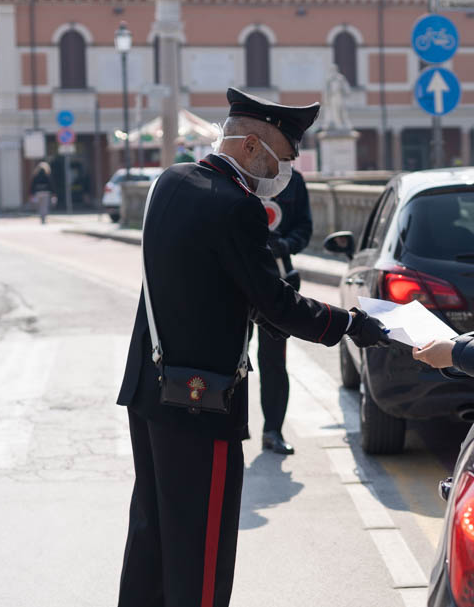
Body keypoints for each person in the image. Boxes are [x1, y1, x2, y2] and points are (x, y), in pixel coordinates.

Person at [115, 87, 389, 607]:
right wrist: (351, 323)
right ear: (249, 147)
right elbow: (276, 305)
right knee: (202, 545)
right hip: (202, 399)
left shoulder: (170, 182)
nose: (283, 172)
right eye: (283, 158)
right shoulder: (236, 207)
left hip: (150, 388)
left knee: (153, 530)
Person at [258, 168, 312, 454]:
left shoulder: (295, 181)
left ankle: (272, 431)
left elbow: (304, 226)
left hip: (280, 278)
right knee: (229, 356)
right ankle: (229, 429)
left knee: (274, 361)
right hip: (237, 277)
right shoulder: (240, 176)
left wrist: (286, 244)